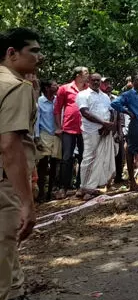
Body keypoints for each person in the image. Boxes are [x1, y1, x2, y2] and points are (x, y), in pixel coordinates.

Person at [0, 29, 44, 300]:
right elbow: (10, 147)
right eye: (34, 51)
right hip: (6, 181)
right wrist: (27, 201)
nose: (40, 57)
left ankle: (15, 296)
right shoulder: (16, 87)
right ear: (12, 53)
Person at [76, 74, 115, 198]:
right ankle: (85, 186)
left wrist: (107, 126)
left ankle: (94, 186)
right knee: (89, 157)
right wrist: (103, 123)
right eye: (93, 80)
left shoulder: (104, 96)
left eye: (98, 80)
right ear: (88, 81)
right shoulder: (83, 95)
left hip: (104, 131)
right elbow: (85, 112)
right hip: (91, 131)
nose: (96, 82)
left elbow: (110, 111)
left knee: (101, 158)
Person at [53, 66, 89, 199]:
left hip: (85, 128)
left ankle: (81, 185)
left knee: (84, 157)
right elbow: (57, 109)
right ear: (78, 75)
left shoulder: (88, 89)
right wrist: (58, 126)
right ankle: (64, 187)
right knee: (66, 158)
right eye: (86, 72)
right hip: (68, 128)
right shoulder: (65, 88)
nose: (88, 75)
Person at [34, 80, 60, 202]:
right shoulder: (40, 101)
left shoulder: (57, 100)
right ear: (47, 87)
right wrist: (37, 136)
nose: (57, 86)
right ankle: (41, 193)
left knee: (55, 163)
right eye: (54, 85)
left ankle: (51, 192)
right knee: (43, 164)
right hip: (44, 134)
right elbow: (37, 120)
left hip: (56, 134)